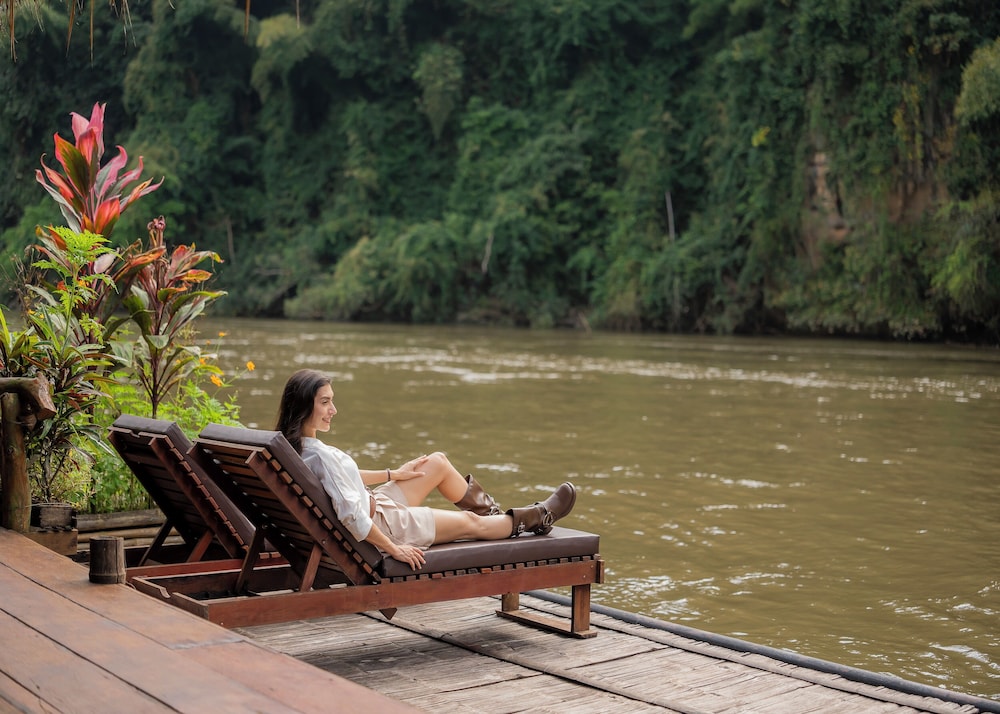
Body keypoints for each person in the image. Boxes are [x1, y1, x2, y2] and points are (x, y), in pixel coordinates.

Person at [275, 368, 577, 570]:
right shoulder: (318, 455)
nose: (333, 410)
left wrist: (393, 474)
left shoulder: (294, 447)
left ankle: (494, 518)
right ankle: (536, 517)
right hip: (386, 526)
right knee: (470, 522)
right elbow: (351, 516)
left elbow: (341, 481)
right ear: (303, 406)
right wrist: (394, 548)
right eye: (325, 402)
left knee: (436, 463)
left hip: (376, 504)